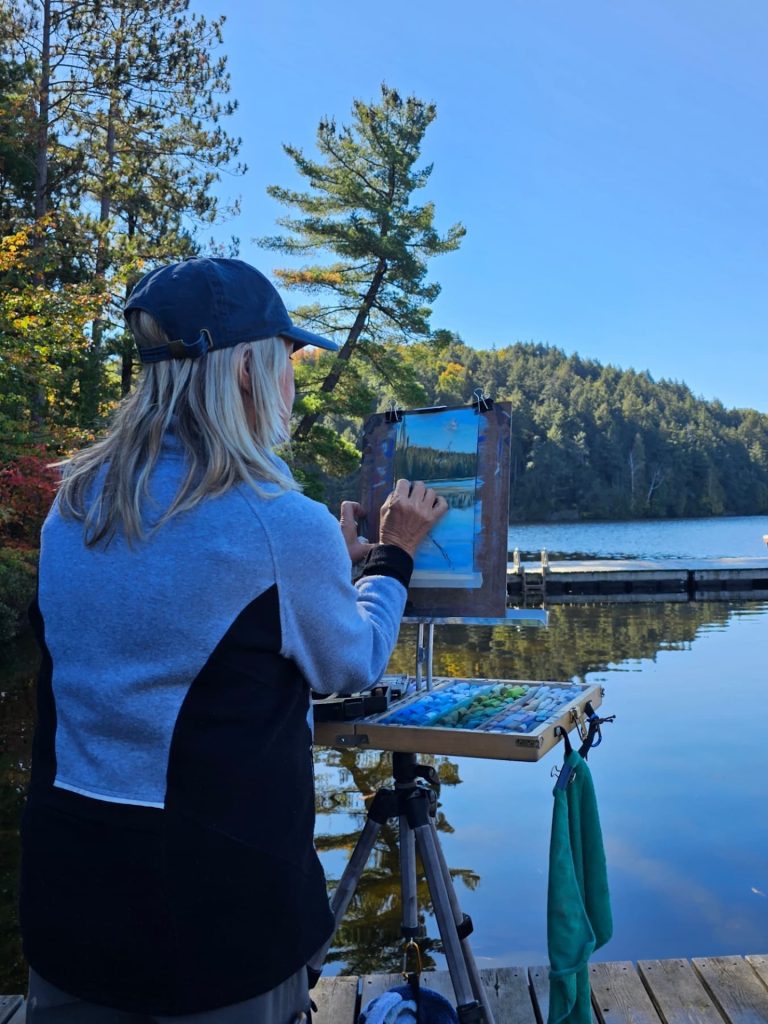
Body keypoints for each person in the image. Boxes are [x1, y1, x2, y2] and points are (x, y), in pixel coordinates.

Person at [20, 257, 448, 1023]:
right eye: (286, 359)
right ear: (247, 371)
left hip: (70, 897)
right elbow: (352, 661)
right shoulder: (278, 523)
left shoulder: (75, 505)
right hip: (213, 921)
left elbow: (160, 608)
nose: (293, 380)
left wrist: (314, 574)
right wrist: (392, 559)